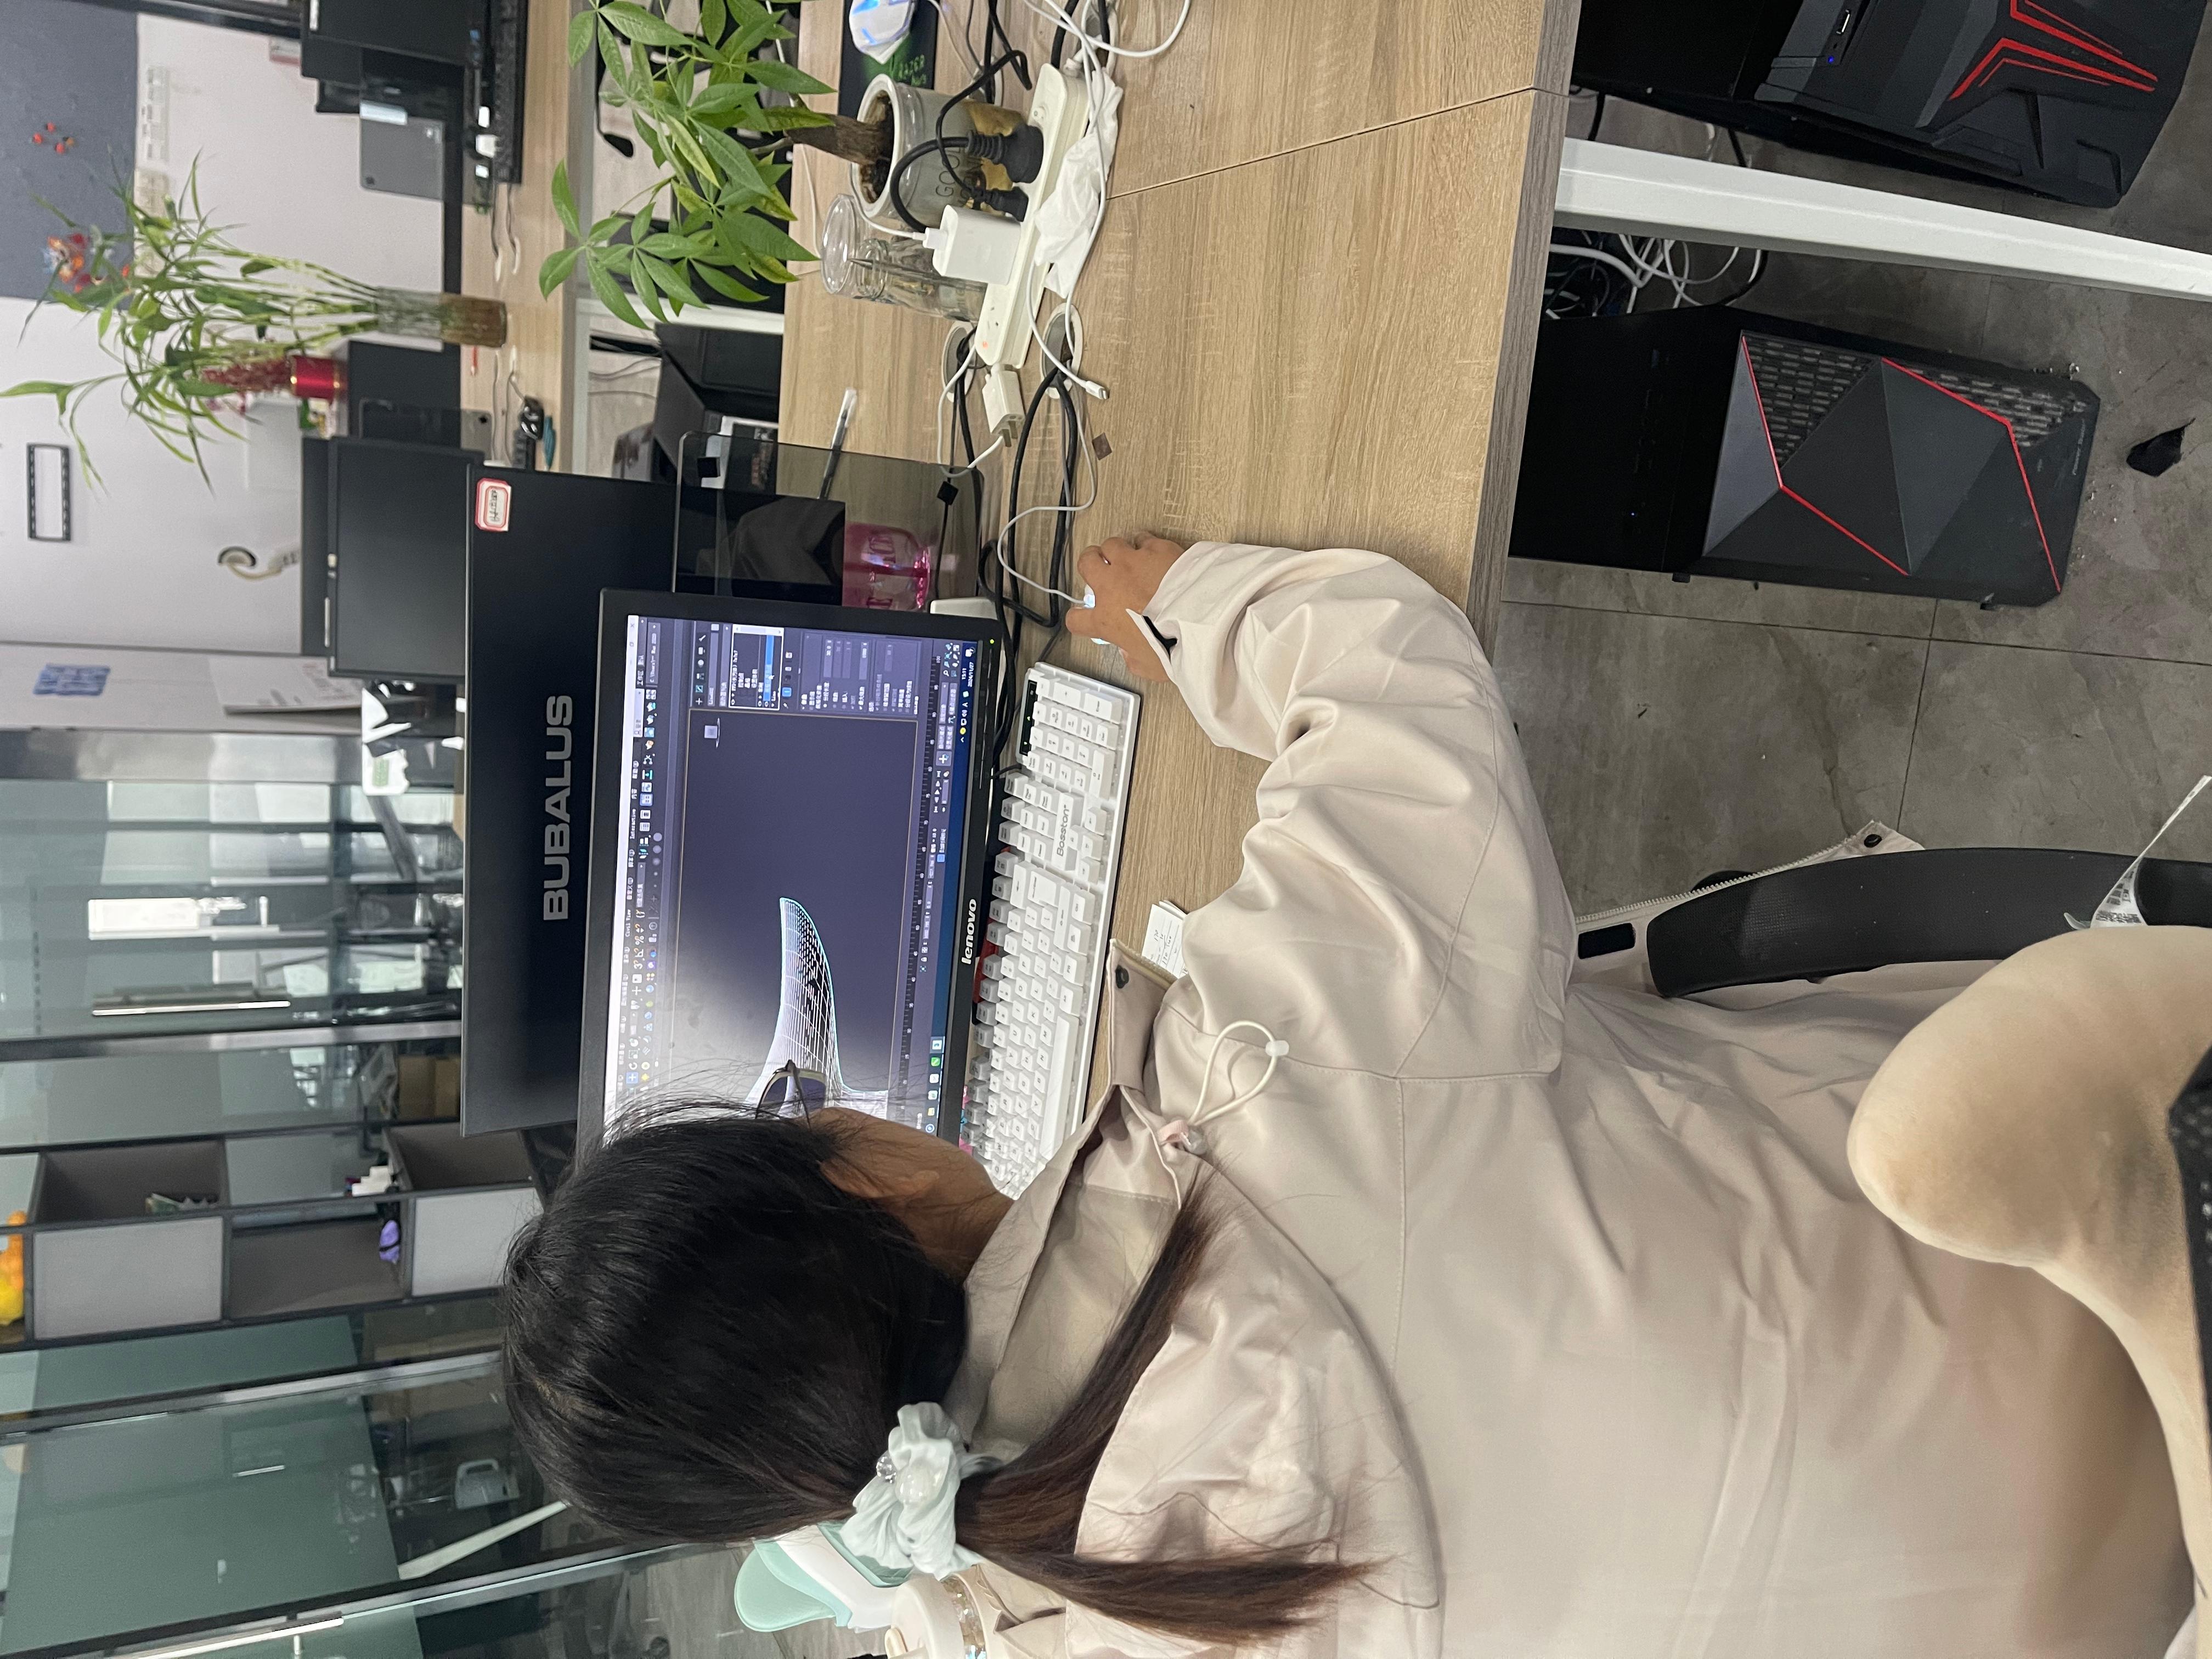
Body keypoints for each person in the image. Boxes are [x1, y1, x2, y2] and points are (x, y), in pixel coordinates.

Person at [504, 536, 2188, 1658]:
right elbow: (1398, 678)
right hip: (2137, 1218)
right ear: (859, 1177)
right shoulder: (1264, 1094)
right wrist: (1185, 601)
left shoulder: (1078, 1613)